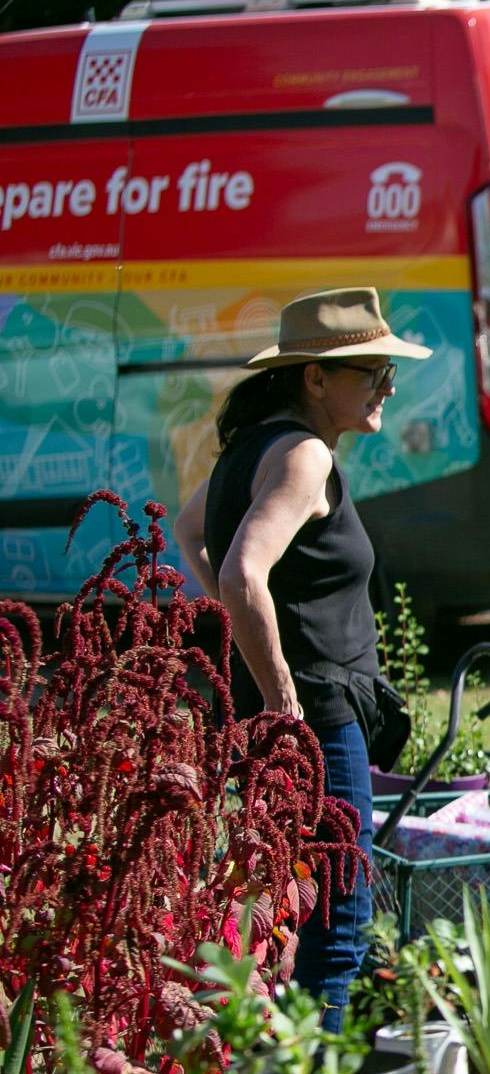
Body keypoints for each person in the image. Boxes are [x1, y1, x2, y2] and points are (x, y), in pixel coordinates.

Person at [173, 288, 431, 1027]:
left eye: (387, 368)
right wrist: (280, 686)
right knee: (340, 918)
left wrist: (254, 644)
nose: (386, 383)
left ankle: (297, 1073)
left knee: (302, 905)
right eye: (369, 370)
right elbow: (237, 571)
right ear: (313, 378)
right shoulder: (305, 454)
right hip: (316, 712)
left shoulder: (256, 447)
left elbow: (194, 533)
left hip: (298, 710)